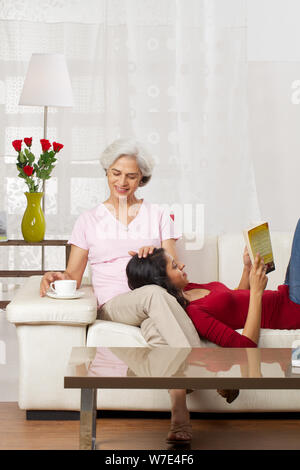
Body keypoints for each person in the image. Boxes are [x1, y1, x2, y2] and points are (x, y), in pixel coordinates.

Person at [39, 138, 201, 444]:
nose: (122, 182)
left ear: (142, 178)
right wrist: (55, 275)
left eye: (130, 175)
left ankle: (180, 416)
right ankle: (204, 366)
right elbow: (74, 274)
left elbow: (176, 272)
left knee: (158, 330)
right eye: (116, 173)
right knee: (154, 295)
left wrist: (157, 255)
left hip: (157, 301)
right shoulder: (88, 220)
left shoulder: (158, 215)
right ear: (106, 172)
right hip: (116, 304)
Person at [125, 218, 300, 443]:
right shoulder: (194, 313)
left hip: (284, 294)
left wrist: (246, 270)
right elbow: (245, 348)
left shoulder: (190, 288)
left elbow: (236, 300)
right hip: (294, 308)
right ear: (163, 281)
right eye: (175, 266)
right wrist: (257, 292)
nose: (182, 265)